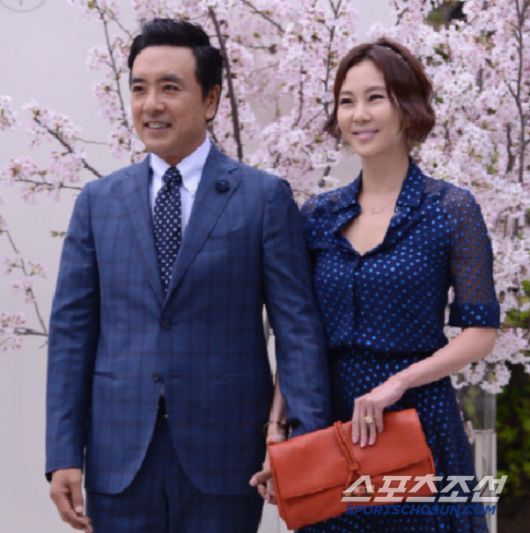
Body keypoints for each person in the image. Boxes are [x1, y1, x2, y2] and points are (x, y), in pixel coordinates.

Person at [45, 18, 330, 533]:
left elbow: (298, 328)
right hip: (118, 457)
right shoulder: (98, 203)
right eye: (139, 89)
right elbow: (71, 335)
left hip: (227, 456)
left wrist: (302, 439)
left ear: (211, 99)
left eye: (170, 88)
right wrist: (63, 453)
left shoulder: (262, 198)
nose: (151, 104)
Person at [255, 38, 500, 532]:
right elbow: (299, 334)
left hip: (421, 420)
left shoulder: (451, 209)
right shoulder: (318, 214)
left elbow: (480, 332)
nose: (359, 115)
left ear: (407, 107)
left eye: (375, 98)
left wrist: (399, 383)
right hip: (331, 426)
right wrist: (277, 428)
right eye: (347, 101)